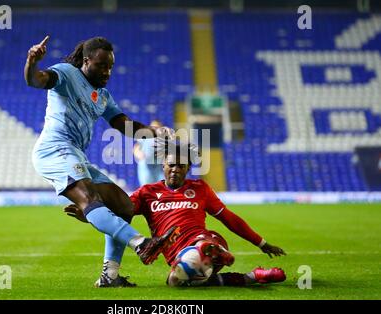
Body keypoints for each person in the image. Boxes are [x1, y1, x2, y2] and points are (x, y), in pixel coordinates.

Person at [25, 35, 180, 287]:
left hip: (76, 154)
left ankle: (110, 276)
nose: (107, 71)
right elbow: (36, 80)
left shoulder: (103, 95)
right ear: (86, 61)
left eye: (110, 67)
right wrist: (32, 62)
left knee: (124, 206)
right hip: (54, 149)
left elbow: (122, 123)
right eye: (101, 65)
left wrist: (155, 132)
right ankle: (141, 243)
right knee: (90, 199)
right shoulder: (66, 74)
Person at [66, 143, 286, 287]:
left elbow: (227, 217)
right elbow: (119, 216)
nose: (175, 169)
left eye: (181, 166)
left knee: (198, 250)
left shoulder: (200, 188)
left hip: (202, 238)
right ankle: (253, 276)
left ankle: (209, 250)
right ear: (163, 165)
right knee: (175, 282)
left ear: (188, 168)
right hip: (176, 255)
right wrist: (90, 215)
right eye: (171, 165)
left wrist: (261, 242)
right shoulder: (147, 193)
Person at [134, 120, 165, 186]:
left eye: (157, 127)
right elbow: (136, 147)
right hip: (146, 165)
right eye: (152, 127)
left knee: (161, 187)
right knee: (147, 188)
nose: (154, 129)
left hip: (158, 167)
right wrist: (139, 154)